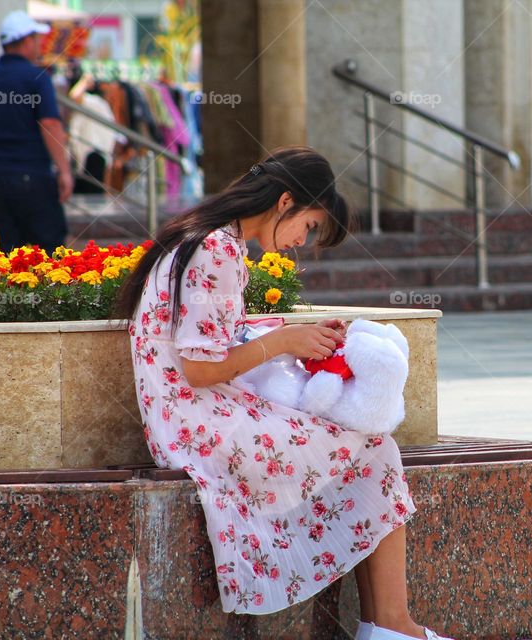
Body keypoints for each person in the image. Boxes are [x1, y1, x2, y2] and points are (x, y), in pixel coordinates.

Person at [113, 146, 453, 640]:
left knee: (369, 449)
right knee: (376, 450)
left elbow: (209, 338)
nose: (300, 241)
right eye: (309, 226)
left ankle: (388, 628)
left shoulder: (210, 239)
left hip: (193, 413)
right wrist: (284, 341)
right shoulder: (216, 249)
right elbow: (200, 369)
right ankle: (394, 628)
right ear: (286, 201)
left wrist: (296, 335)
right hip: (198, 421)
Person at [0, 10, 72, 254]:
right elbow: (50, 124)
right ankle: (47, 295)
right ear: (25, 41)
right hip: (34, 178)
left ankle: (11, 294)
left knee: (10, 253)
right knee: (51, 251)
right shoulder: (37, 78)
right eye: (36, 38)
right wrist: (64, 171)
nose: (39, 44)